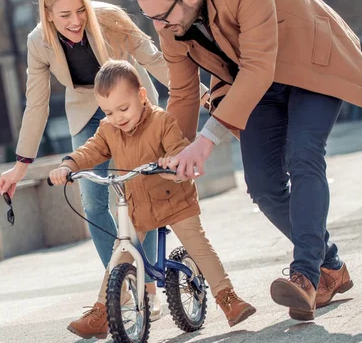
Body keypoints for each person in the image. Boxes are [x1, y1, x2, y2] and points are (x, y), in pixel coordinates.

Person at [126, 0, 362, 321]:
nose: (157, 27)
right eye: (148, 17)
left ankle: (305, 276)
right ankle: (331, 266)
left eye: (160, 16)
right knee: (264, 185)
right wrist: (172, 152)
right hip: (254, 85)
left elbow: (258, 65)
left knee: (303, 155)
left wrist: (205, 143)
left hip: (311, 67)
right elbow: (184, 93)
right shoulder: (172, 22)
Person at [0, 0, 208, 339]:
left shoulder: (108, 17)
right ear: (47, 14)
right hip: (86, 112)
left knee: (143, 191)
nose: (76, 21)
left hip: (133, 108)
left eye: (80, 11)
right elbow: (37, 104)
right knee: (93, 203)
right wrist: (20, 165)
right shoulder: (38, 43)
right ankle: (127, 288)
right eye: (65, 15)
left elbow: (153, 57)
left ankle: (149, 284)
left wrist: (199, 92)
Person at [49, 60, 256, 334]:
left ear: (142, 96)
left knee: (197, 245)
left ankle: (227, 298)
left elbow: (180, 150)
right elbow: (91, 150)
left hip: (175, 200)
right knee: (120, 254)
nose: (118, 117)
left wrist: (173, 164)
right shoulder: (108, 129)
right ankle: (102, 313)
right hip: (138, 207)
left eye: (123, 108)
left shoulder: (162, 121)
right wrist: (69, 165)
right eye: (109, 111)